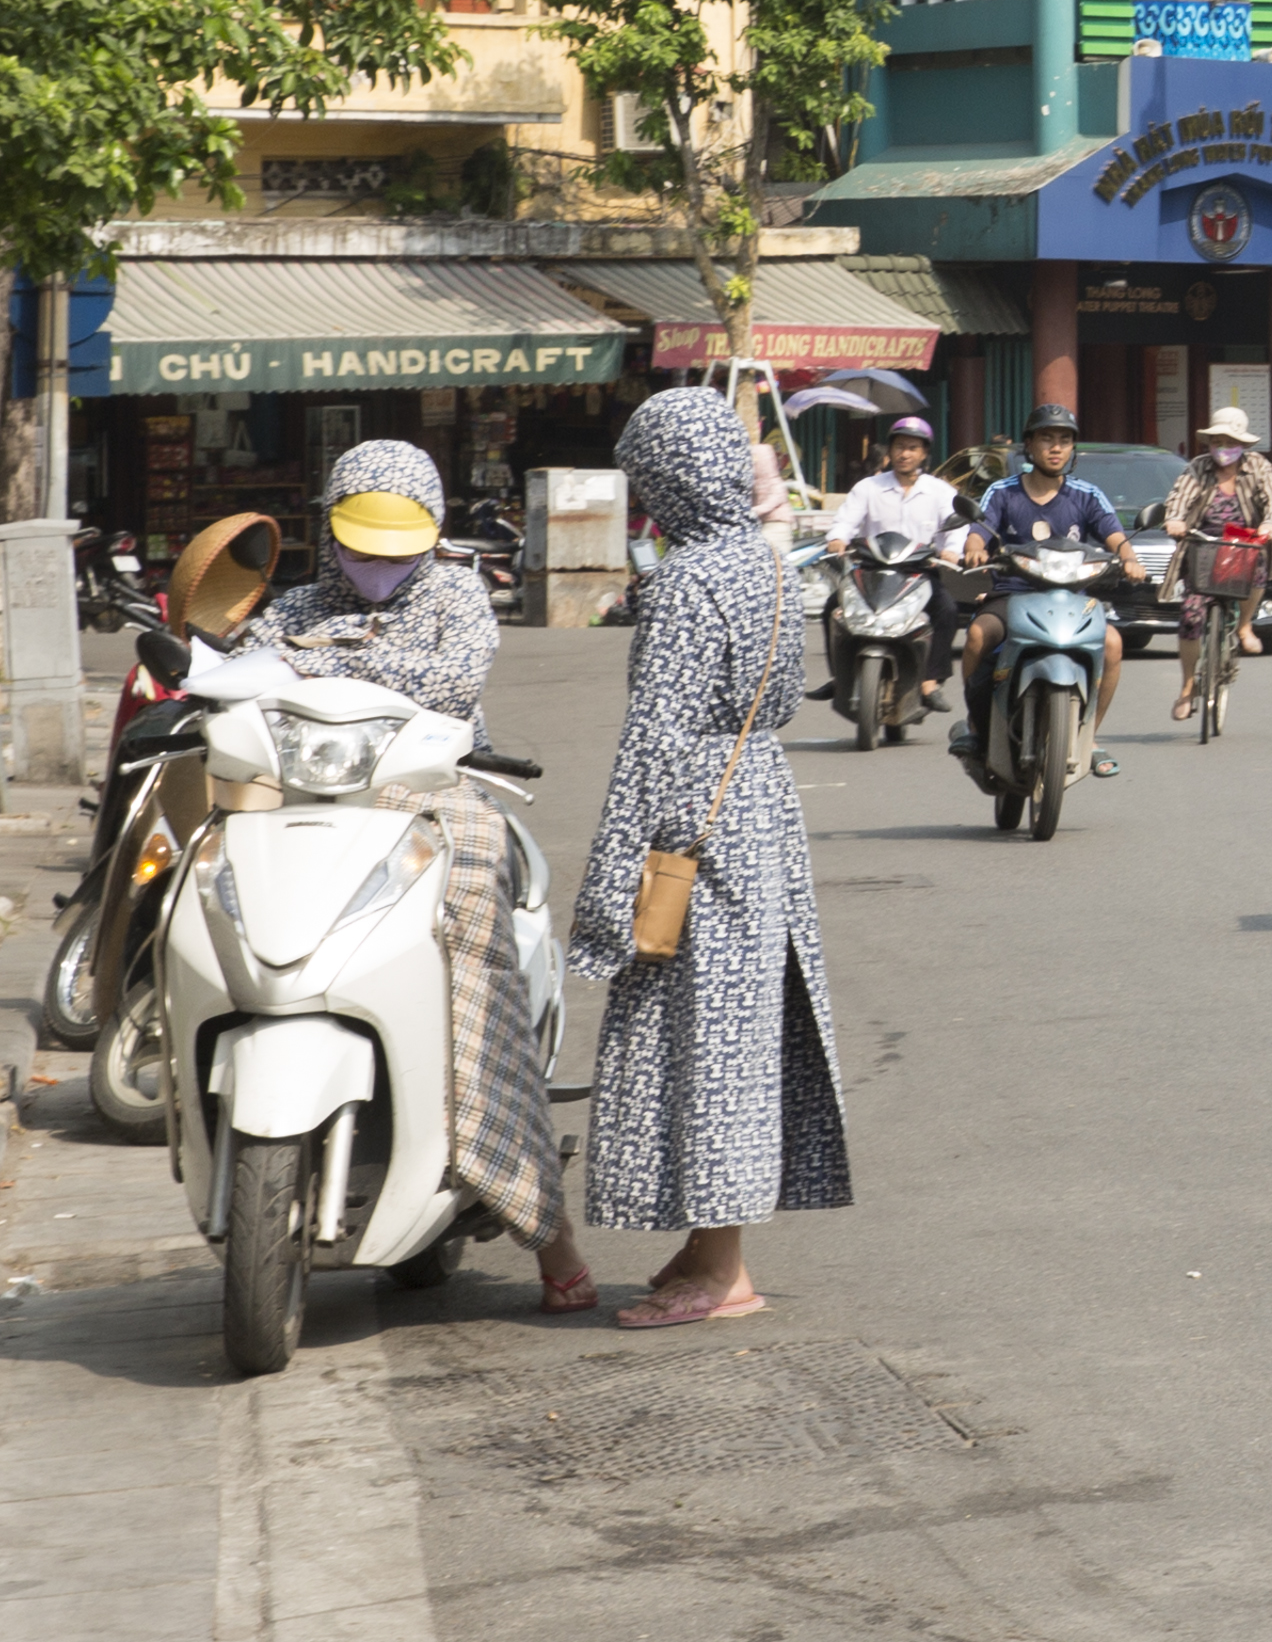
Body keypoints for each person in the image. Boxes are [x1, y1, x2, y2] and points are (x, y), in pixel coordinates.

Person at [257, 440, 592, 1312]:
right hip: (307, 806)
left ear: (432, 534)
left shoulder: (456, 595)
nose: (376, 563)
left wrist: (315, 661)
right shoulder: (290, 602)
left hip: (440, 802)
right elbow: (245, 680)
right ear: (328, 531)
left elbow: (452, 681)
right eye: (361, 543)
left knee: (473, 959)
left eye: (395, 545)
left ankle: (548, 1230)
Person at [566, 385, 851, 1328]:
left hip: (696, 821)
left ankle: (723, 1270)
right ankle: (706, 1240)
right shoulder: (766, 564)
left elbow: (650, 740)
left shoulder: (686, 579)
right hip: (760, 805)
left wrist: (608, 892)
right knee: (736, 1022)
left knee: (704, 1033)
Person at [945, 401, 1131, 779]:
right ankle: (978, 726)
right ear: (1029, 445)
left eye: (1064, 440)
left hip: (1073, 599)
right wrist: (974, 549)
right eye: (1047, 438)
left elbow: (1115, 535)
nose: (1056, 447)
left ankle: (1089, 736)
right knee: (979, 635)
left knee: (1112, 645)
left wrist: (1129, 558)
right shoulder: (1002, 491)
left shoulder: (1086, 495)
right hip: (1012, 594)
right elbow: (978, 530)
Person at [814, 414, 966, 711]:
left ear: (924, 453)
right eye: (899, 446)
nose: (904, 453)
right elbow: (846, 520)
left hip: (919, 574)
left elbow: (956, 528)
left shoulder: (940, 492)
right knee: (832, 607)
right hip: (871, 571)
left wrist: (951, 551)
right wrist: (837, 539)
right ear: (889, 450)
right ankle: (839, 677)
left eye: (912, 447)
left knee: (947, 610)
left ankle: (930, 681)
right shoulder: (868, 487)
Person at [1157, 404, 1272, 682]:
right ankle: (1188, 685)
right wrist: (1175, 520)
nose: (1223, 448)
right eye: (1218, 442)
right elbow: (1179, 498)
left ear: (1242, 444)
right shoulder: (1198, 467)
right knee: (1191, 618)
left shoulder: (1258, 466)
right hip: (1203, 544)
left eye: (1231, 443)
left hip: (1244, 543)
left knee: (1259, 565)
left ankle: (1244, 625)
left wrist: (1270, 524)